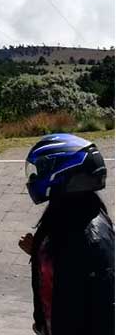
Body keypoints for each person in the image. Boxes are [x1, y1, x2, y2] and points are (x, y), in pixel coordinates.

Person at [19, 133, 113, 335]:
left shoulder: (93, 236)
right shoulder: (62, 216)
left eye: (41, 169)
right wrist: (38, 251)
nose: (34, 177)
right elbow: (66, 270)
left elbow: (104, 307)